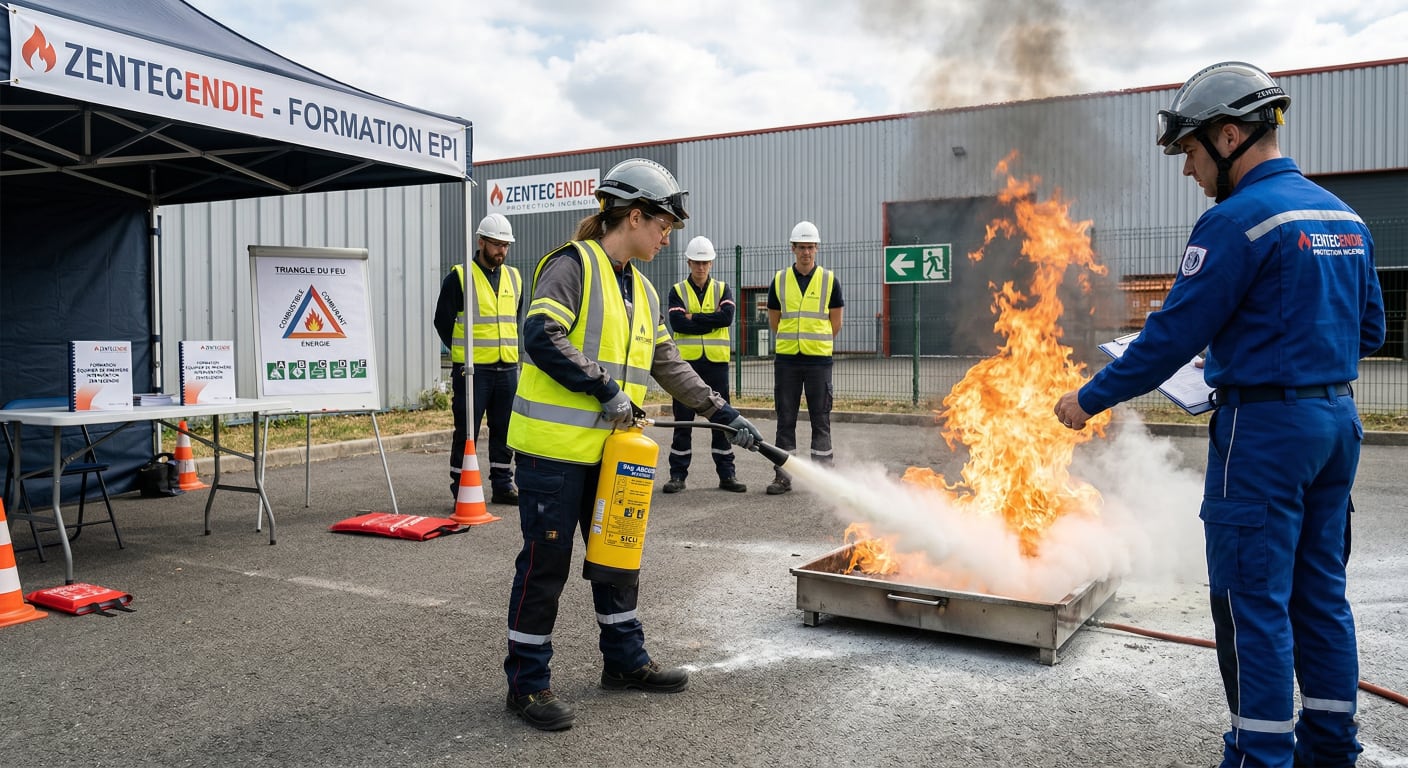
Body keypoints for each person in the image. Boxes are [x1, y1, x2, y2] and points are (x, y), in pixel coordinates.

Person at [1054, 62, 1384, 768]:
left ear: (1231, 135)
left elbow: (1168, 340)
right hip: (1335, 425)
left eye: (1192, 152)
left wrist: (1087, 400)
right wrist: (1275, 350)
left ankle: (1261, 756)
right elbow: (1370, 333)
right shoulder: (1345, 218)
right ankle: (1331, 748)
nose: (1188, 171)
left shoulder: (1236, 222)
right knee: (1319, 593)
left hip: (1263, 438)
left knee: (1250, 603)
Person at [502, 158, 763, 732]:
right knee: (547, 566)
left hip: (614, 453)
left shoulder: (641, 289)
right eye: (663, 224)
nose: (668, 235)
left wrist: (722, 413)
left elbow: (669, 364)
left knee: (618, 557)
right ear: (635, 215)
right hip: (555, 453)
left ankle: (624, 663)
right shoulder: (572, 265)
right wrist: (606, 390)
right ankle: (527, 684)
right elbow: (541, 334)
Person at [433, 213, 523, 504]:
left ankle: (502, 484)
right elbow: (442, 321)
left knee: (504, 429)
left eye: (505, 246)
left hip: (507, 367)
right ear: (481, 241)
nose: (501, 251)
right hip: (472, 371)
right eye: (496, 245)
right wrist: (462, 353)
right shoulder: (459, 277)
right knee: (466, 430)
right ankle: (460, 486)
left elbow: (514, 319)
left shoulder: (514, 277)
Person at [662, 235, 747, 494]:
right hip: (685, 367)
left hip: (716, 365)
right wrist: (708, 319)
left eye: (705, 262)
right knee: (683, 421)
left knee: (721, 421)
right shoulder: (678, 290)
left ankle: (727, 475)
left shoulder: (723, 289)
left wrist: (694, 317)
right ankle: (677, 475)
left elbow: (726, 318)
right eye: (697, 262)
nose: (701, 267)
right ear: (688, 262)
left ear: (711, 263)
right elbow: (677, 324)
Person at [765, 220, 844, 495]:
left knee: (820, 417)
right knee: (785, 417)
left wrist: (814, 341)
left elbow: (836, 323)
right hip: (787, 360)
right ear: (792, 249)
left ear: (817, 248)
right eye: (801, 247)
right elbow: (775, 321)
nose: (806, 252)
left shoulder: (829, 280)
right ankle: (783, 476)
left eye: (810, 247)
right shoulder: (779, 280)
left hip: (818, 361)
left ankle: (823, 478)